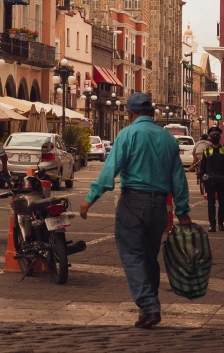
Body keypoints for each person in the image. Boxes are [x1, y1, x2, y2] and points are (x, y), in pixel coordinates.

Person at [79, 93, 191, 329]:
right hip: (159, 207)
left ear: (130, 113)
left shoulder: (127, 134)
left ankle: (149, 306)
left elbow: (111, 169)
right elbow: (179, 179)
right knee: (149, 257)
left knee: (132, 255)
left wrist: (90, 199)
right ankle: (149, 307)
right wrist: (182, 211)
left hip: (133, 203)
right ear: (152, 113)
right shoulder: (168, 139)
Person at [198, 126, 224, 232]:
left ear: (220, 137)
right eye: (213, 136)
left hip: (222, 180)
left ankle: (221, 223)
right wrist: (202, 177)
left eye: (217, 135)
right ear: (210, 138)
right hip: (210, 181)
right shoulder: (206, 151)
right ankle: (212, 224)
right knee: (211, 203)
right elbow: (203, 167)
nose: (215, 137)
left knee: (222, 203)